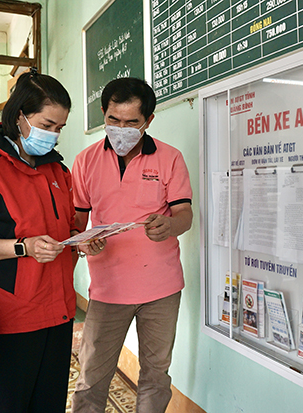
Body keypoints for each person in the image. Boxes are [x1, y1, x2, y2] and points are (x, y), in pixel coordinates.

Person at [0, 69, 95, 413]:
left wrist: (80, 239)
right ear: (20, 116)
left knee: (49, 404)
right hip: (10, 317)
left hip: (58, 312)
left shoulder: (57, 170)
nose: (53, 135)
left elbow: (65, 226)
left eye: (59, 128)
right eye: (47, 124)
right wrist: (22, 247)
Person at [71, 77, 193, 413]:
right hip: (108, 288)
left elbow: (185, 214)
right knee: (92, 376)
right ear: (103, 114)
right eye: (113, 120)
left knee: (156, 374)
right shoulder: (85, 161)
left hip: (162, 287)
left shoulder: (170, 158)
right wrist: (83, 244)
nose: (120, 128)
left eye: (131, 122)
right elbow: (77, 223)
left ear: (148, 121)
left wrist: (170, 225)